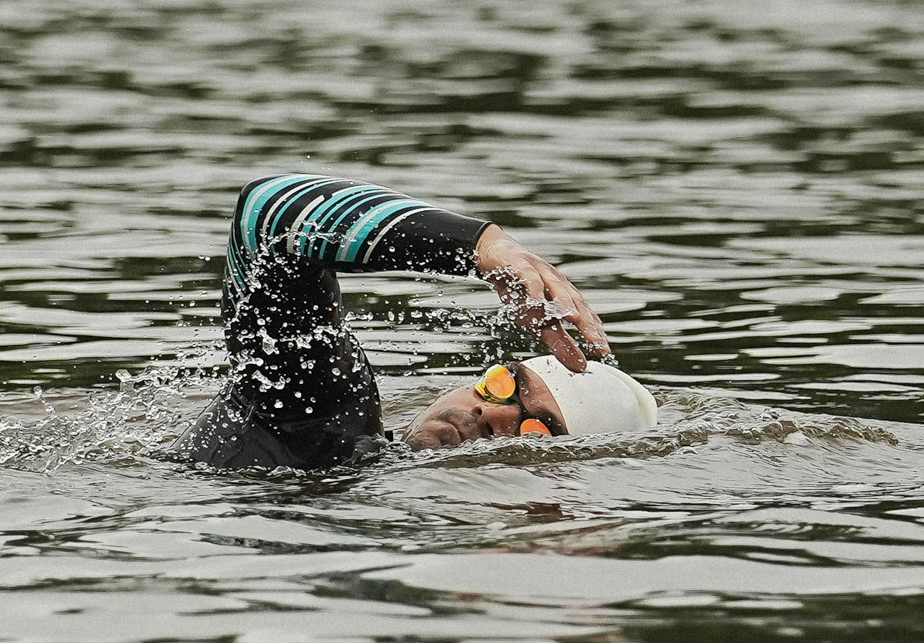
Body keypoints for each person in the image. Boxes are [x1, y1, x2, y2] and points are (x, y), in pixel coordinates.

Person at [172, 174, 618, 471]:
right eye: (502, 384)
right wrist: (480, 246)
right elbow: (266, 214)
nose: (491, 414)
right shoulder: (320, 414)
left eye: (535, 429)